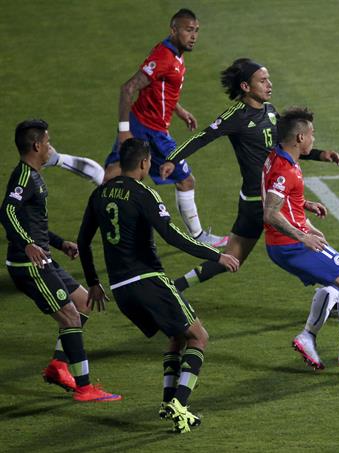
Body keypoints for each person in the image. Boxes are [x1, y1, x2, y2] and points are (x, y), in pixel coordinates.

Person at [77, 138, 240, 433]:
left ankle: (168, 404)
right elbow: (172, 235)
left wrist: (93, 282)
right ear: (143, 163)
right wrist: (217, 255)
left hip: (121, 289)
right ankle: (181, 402)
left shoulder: (99, 194)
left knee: (176, 336)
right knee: (199, 337)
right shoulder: (143, 193)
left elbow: (83, 241)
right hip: (148, 280)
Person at [160, 58, 339, 292]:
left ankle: (174, 288)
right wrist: (172, 159)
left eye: (268, 79)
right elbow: (203, 136)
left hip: (262, 197)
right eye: (262, 80)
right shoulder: (236, 116)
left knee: (232, 259)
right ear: (245, 87)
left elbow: (287, 148)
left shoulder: (271, 112)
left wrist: (319, 154)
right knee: (313, 241)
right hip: (264, 199)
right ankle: (337, 292)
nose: (269, 84)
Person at [1, 119, 121, 402]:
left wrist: (59, 242)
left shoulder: (34, 175)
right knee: (69, 317)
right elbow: (6, 212)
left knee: (82, 303)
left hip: (44, 258)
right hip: (28, 265)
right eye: (48, 141)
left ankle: (58, 366)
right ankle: (84, 387)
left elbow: (33, 224)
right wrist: (28, 244)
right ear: (37, 145)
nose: (51, 146)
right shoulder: (23, 178)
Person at [263, 107, 339, 370]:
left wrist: (303, 204)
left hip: (283, 244)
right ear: (300, 139)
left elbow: (279, 198)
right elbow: (270, 212)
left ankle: (308, 338)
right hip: (291, 244)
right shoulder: (286, 169)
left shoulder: (279, 156)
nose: (314, 139)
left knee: (337, 285)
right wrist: (302, 236)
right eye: (312, 134)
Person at [102, 8, 227, 247]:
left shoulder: (173, 55)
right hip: (147, 130)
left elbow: (159, 87)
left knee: (111, 175)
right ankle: (199, 237)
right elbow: (128, 88)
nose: (194, 36)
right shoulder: (165, 56)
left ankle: (100, 228)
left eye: (196, 31)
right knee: (186, 180)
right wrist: (124, 130)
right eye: (188, 30)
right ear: (173, 30)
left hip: (148, 125)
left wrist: (180, 111)